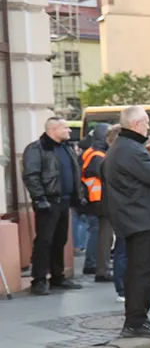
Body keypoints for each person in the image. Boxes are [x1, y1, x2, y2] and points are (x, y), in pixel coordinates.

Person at [105, 106, 150, 337]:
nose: (148, 127)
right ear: (136, 124)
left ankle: (139, 318)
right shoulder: (130, 149)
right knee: (142, 272)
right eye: (146, 123)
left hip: (138, 218)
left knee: (143, 271)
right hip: (140, 219)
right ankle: (135, 321)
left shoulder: (126, 147)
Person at [21, 117, 88, 295]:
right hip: (48, 202)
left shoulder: (66, 148)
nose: (68, 131)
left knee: (60, 240)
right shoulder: (37, 149)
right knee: (44, 241)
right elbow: (31, 176)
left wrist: (78, 196)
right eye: (65, 127)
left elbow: (74, 174)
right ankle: (39, 280)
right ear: (53, 130)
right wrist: (40, 198)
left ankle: (57, 277)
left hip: (64, 201)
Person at [80, 124, 115, 281]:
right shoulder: (98, 155)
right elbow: (106, 176)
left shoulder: (92, 153)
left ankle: (97, 265)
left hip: (96, 199)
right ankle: (99, 267)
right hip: (100, 199)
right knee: (102, 235)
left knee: (100, 234)